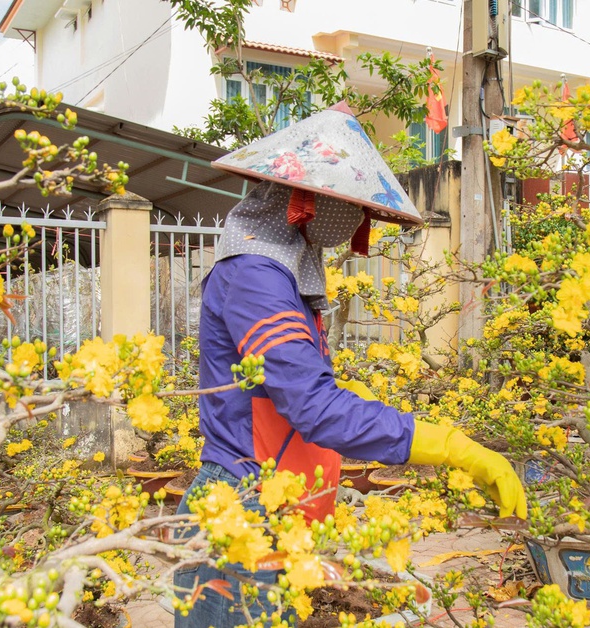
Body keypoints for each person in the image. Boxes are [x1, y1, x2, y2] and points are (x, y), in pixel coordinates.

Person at [172, 102, 527, 628]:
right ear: (304, 200)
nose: (359, 220)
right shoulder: (255, 277)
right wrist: (451, 446)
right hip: (240, 520)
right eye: (350, 206)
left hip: (271, 511)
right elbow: (314, 407)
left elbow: (292, 392)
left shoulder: (278, 274)